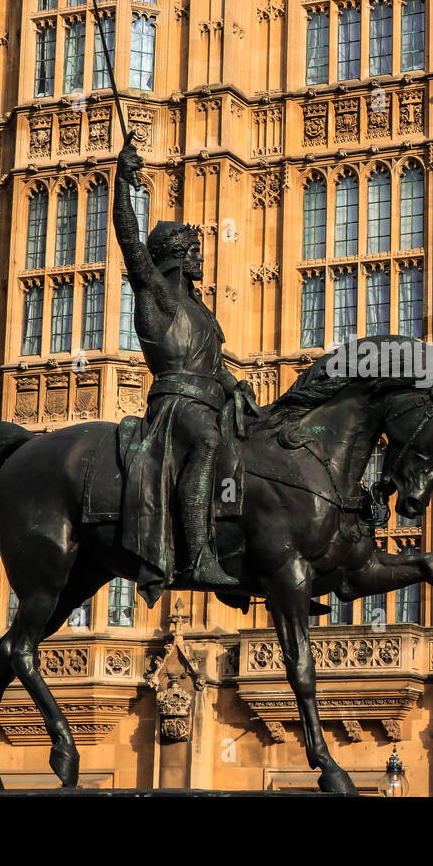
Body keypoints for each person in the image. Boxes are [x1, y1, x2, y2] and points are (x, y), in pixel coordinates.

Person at [113, 140, 262, 590]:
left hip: (208, 399)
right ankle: (196, 556)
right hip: (176, 407)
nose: (202, 257)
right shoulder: (158, 292)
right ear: (178, 253)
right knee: (208, 440)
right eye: (195, 249)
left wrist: (237, 387)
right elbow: (128, 239)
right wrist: (122, 182)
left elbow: (213, 368)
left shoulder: (201, 310)